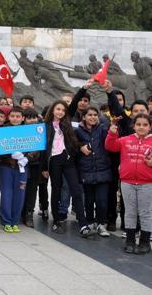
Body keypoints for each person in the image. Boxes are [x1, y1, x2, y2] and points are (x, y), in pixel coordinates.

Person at [42, 101, 94, 237]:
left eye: (63, 110)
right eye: (58, 109)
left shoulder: (67, 124)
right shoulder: (45, 126)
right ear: (52, 110)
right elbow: (42, 149)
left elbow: (75, 141)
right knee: (56, 190)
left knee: (76, 189)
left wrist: (82, 145)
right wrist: (44, 167)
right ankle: (56, 221)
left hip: (68, 160)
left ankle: (83, 224)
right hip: (54, 161)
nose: (60, 112)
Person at [105, 113, 152, 255]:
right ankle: (130, 241)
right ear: (133, 126)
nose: (141, 127)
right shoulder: (125, 140)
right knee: (130, 212)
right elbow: (111, 146)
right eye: (138, 124)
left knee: (146, 213)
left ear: (150, 127)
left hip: (147, 183)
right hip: (127, 182)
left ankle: (144, 242)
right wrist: (112, 133)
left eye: (145, 125)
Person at [75, 106, 112, 237]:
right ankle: (90, 222)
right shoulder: (78, 131)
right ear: (84, 117)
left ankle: (101, 224)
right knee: (89, 200)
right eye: (89, 115)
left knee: (102, 200)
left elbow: (110, 140)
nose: (93, 117)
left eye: (95, 115)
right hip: (86, 170)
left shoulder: (102, 129)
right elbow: (72, 144)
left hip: (103, 170)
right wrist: (80, 147)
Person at [0, 106, 28, 233]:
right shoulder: (3, 130)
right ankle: (6, 221)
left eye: (18, 116)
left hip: (22, 167)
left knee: (20, 194)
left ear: (23, 118)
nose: (15, 119)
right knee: (6, 194)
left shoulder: (28, 130)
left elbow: (36, 146)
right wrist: (9, 155)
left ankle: (15, 221)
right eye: (13, 116)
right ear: (9, 117)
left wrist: (27, 157)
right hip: (6, 166)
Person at [21, 108, 47, 227]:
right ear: (24, 119)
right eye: (29, 118)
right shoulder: (18, 130)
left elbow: (42, 150)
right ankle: (20, 212)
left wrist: (29, 158)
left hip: (35, 165)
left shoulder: (41, 130)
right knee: (21, 189)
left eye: (34, 118)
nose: (32, 120)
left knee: (32, 191)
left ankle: (29, 214)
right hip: (21, 165)